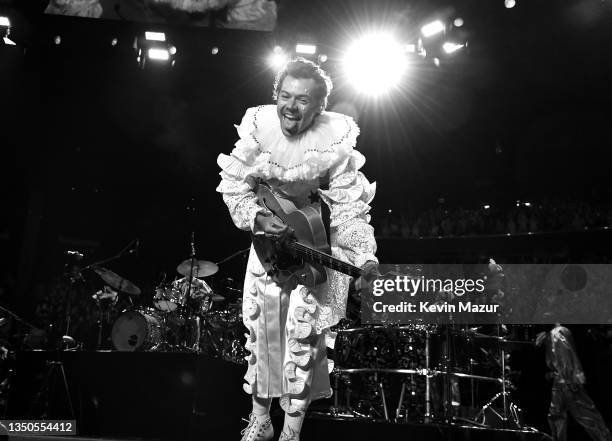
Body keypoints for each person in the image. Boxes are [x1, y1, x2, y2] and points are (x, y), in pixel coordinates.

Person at [216, 58, 377, 441]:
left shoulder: (334, 142)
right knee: (262, 331)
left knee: (302, 336)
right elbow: (235, 186)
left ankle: (291, 432)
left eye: (302, 99)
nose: (291, 105)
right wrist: (257, 217)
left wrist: (365, 259)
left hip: (312, 245)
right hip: (268, 250)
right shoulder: (260, 129)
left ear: (319, 106)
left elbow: (349, 209)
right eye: (285, 96)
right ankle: (260, 421)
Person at [536, 324, 612, 441]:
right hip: (562, 380)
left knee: (584, 415)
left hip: (566, 380)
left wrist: (571, 378)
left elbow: (565, 357)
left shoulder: (558, 332)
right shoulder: (554, 333)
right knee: (558, 415)